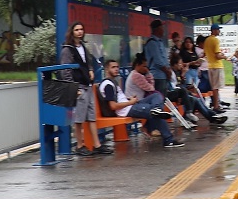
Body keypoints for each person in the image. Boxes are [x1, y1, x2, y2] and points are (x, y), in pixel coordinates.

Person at [97, 58, 176, 149]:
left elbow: (118, 99)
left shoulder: (112, 82)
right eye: (113, 67)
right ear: (107, 69)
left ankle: (155, 112)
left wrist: (128, 99)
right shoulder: (108, 85)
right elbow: (113, 106)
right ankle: (168, 140)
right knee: (157, 113)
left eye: (117, 67)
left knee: (156, 96)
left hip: (130, 104)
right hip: (126, 110)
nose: (116, 69)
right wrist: (130, 102)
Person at [122, 54, 182, 147]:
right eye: (144, 66)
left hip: (140, 101)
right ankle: (167, 139)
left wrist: (147, 74)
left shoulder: (137, 74)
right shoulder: (136, 75)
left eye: (147, 66)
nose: (146, 68)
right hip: (135, 103)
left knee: (157, 99)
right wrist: (149, 74)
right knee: (157, 104)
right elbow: (150, 88)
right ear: (137, 65)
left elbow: (151, 88)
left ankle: (152, 124)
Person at [60, 22, 102, 156]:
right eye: (77, 29)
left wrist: (90, 70)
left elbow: (87, 62)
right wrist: (73, 88)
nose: (79, 32)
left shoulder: (83, 46)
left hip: (87, 84)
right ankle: (79, 145)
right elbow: (65, 70)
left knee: (91, 116)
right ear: (72, 32)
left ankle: (97, 145)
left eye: (81, 29)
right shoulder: (68, 49)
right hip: (79, 86)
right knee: (78, 118)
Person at [143, 19, 174, 95]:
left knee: (165, 97)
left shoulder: (160, 42)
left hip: (164, 75)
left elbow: (164, 58)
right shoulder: (152, 43)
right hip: (157, 76)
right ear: (157, 29)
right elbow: (158, 61)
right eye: (162, 28)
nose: (163, 30)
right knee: (159, 98)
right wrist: (167, 72)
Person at [203, 23, 227, 113]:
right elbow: (217, 55)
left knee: (214, 87)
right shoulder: (215, 40)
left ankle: (215, 105)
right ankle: (216, 106)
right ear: (213, 30)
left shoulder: (207, 40)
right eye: (217, 29)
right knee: (216, 88)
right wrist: (224, 56)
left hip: (210, 66)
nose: (219, 31)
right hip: (217, 66)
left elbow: (205, 54)